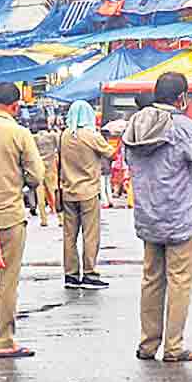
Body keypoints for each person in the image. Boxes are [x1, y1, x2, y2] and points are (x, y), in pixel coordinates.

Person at [123, 72, 192, 362]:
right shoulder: (185, 127)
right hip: (182, 215)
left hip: (149, 213)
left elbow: (129, 161)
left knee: (151, 279)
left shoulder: (135, 124)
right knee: (179, 281)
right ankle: (173, 346)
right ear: (182, 98)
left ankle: (148, 343)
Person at [0, 82, 45, 359]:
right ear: (15, 106)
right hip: (9, 213)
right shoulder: (19, 133)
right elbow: (36, 176)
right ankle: (4, 340)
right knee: (7, 280)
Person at [58, 100, 115, 290]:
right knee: (90, 235)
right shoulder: (91, 135)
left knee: (69, 236)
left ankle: (71, 274)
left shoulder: (65, 135)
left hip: (68, 191)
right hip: (88, 191)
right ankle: (90, 273)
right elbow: (111, 153)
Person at [33, 120, 61, 227]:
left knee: (40, 194)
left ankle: (43, 219)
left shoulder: (34, 138)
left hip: (38, 167)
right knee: (54, 191)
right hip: (51, 166)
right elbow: (59, 148)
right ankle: (60, 218)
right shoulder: (53, 136)